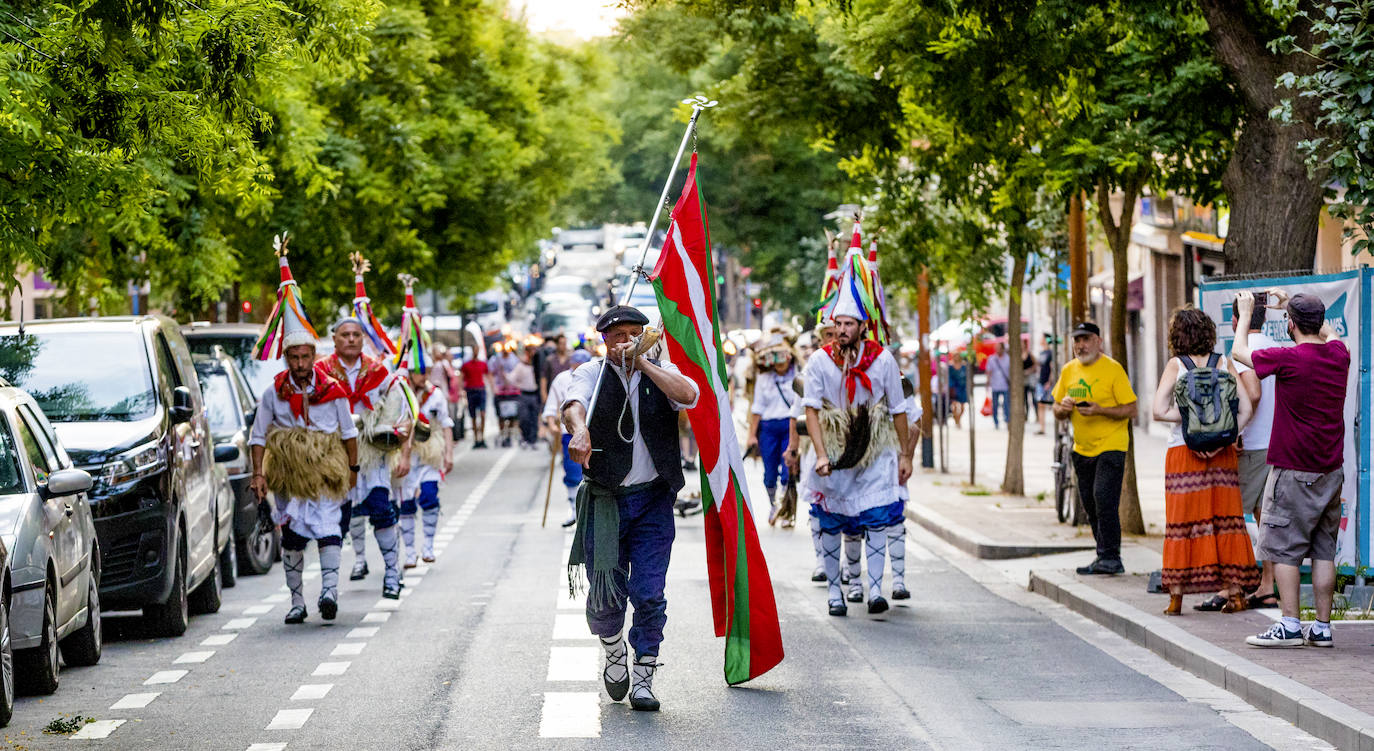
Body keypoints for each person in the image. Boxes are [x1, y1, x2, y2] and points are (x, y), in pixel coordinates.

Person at [563, 305, 699, 712]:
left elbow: (689, 395)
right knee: (606, 597)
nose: (624, 342)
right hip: (606, 499)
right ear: (603, 340)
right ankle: (612, 648)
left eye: (632, 334)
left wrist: (643, 363)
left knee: (649, 593)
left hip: (654, 499)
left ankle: (644, 674)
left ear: (646, 337)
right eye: (616, 336)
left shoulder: (662, 370)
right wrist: (580, 429)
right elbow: (573, 404)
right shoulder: (592, 373)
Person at [248, 241, 358, 624]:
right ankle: (297, 601)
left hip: (327, 471)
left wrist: (354, 472)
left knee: (329, 529)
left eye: (305, 357)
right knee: (292, 537)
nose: (299, 363)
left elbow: (348, 433)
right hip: (289, 476)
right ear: (287, 358)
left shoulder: (334, 390)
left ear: (314, 356)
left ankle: (329, 593)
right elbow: (258, 436)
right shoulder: (272, 394)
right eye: (293, 358)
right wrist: (259, 475)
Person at [803, 234, 912, 617]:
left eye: (850, 323)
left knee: (877, 518)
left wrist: (903, 455)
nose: (843, 329)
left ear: (863, 326)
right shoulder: (818, 362)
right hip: (833, 450)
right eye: (839, 323)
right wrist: (819, 453)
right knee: (833, 523)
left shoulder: (883, 361)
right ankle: (835, 593)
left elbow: (898, 409)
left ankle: (877, 589)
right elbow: (812, 410)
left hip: (875, 448)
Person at [1233, 290, 1349, 648]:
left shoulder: (1288, 359)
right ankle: (1323, 627)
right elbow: (1331, 334)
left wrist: (1246, 312)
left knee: (1282, 548)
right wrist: (1295, 309)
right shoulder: (1338, 355)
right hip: (1330, 469)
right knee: (1324, 549)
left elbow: (1240, 353)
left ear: (1291, 325)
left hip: (1292, 469)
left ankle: (1290, 624)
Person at [1150, 307, 1258, 616]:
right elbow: (1247, 408)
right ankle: (1236, 594)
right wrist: (1224, 434)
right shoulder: (1223, 362)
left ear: (1177, 336)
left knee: (1182, 523)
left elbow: (1158, 410)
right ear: (1208, 333)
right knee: (1226, 521)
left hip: (1184, 454)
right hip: (1222, 456)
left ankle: (1176, 597)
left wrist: (1188, 424)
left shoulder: (1176, 365)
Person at [1052, 321, 1137, 576]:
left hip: (1111, 445)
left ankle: (1112, 557)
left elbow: (1131, 409)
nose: (1081, 345)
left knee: (1103, 497)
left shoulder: (1113, 369)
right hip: (1082, 448)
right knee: (1089, 502)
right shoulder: (1069, 371)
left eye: (1086, 339)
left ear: (1099, 341)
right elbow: (1056, 410)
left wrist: (1100, 410)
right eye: (1077, 340)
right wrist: (1063, 409)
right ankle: (1103, 555)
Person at [1230, 297, 1280, 609]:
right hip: (1276, 444)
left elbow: (1254, 392)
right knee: (1267, 520)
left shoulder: (1242, 350)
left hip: (1252, 446)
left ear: (1238, 320)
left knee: (1234, 517)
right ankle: (1266, 586)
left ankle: (1234, 586)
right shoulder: (1277, 347)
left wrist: (1238, 430)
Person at [400, 362, 454, 567]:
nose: (423, 377)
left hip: (430, 454)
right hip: (405, 453)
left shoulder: (436, 395)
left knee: (430, 497)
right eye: (419, 373)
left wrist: (448, 453)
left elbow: (446, 424)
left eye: (426, 372)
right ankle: (410, 552)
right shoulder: (400, 393)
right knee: (405, 503)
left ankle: (429, 546)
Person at [747, 328, 797, 526]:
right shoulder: (764, 377)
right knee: (769, 474)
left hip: (789, 426)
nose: (780, 363)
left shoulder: (798, 374)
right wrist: (752, 435)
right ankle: (773, 505)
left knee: (787, 471)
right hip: (768, 428)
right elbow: (757, 407)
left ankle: (786, 509)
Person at [542, 349, 591, 527]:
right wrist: (552, 424)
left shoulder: (596, 374)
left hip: (594, 432)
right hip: (568, 433)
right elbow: (552, 404)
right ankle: (574, 508)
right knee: (572, 471)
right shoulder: (562, 379)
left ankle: (590, 512)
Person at [461, 348, 490, 448]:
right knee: (473, 416)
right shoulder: (466, 365)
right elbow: (461, 377)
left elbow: (487, 375)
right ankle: (476, 438)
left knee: (482, 414)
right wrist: (462, 390)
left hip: (480, 390)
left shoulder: (482, 364)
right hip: (470, 390)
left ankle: (482, 437)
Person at [512, 345, 540, 448]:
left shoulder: (537, 365)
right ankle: (525, 438)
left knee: (534, 418)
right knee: (524, 418)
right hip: (524, 394)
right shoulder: (521, 365)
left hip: (535, 394)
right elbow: (513, 379)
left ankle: (533, 440)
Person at [541, 334, 573, 403]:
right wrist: (544, 395)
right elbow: (544, 378)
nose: (563, 346)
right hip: (553, 393)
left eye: (564, 343)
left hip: (566, 393)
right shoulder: (550, 360)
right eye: (561, 343)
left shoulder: (570, 360)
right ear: (557, 344)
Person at [986, 342, 1011, 429]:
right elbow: (989, 372)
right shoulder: (991, 359)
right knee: (995, 405)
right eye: (996, 348)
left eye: (999, 348)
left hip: (1005, 385)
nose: (998, 350)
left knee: (1006, 405)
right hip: (995, 385)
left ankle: (1007, 420)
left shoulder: (1008, 358)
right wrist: (988, 383)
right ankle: (996, 422)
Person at [1035, 334, 1055, 435]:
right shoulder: (1041, 352)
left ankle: (1056, 427)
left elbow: (1052, 368)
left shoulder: (1050, 353)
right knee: (1040, 404)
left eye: (1042, 338)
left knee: (1050, 404)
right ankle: (1042, 427)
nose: (1040, 340)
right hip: (1040, 381)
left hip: (1047, 382)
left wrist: (1050, 381)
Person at [946, 355, 968, 428]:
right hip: (954, 388)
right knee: (954, 405)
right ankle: (957, 420)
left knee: (962, 407)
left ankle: (958, 419)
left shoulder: (964, 366)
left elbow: (966, 377)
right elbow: (949, 378)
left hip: (962, 388)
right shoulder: (950, 367)